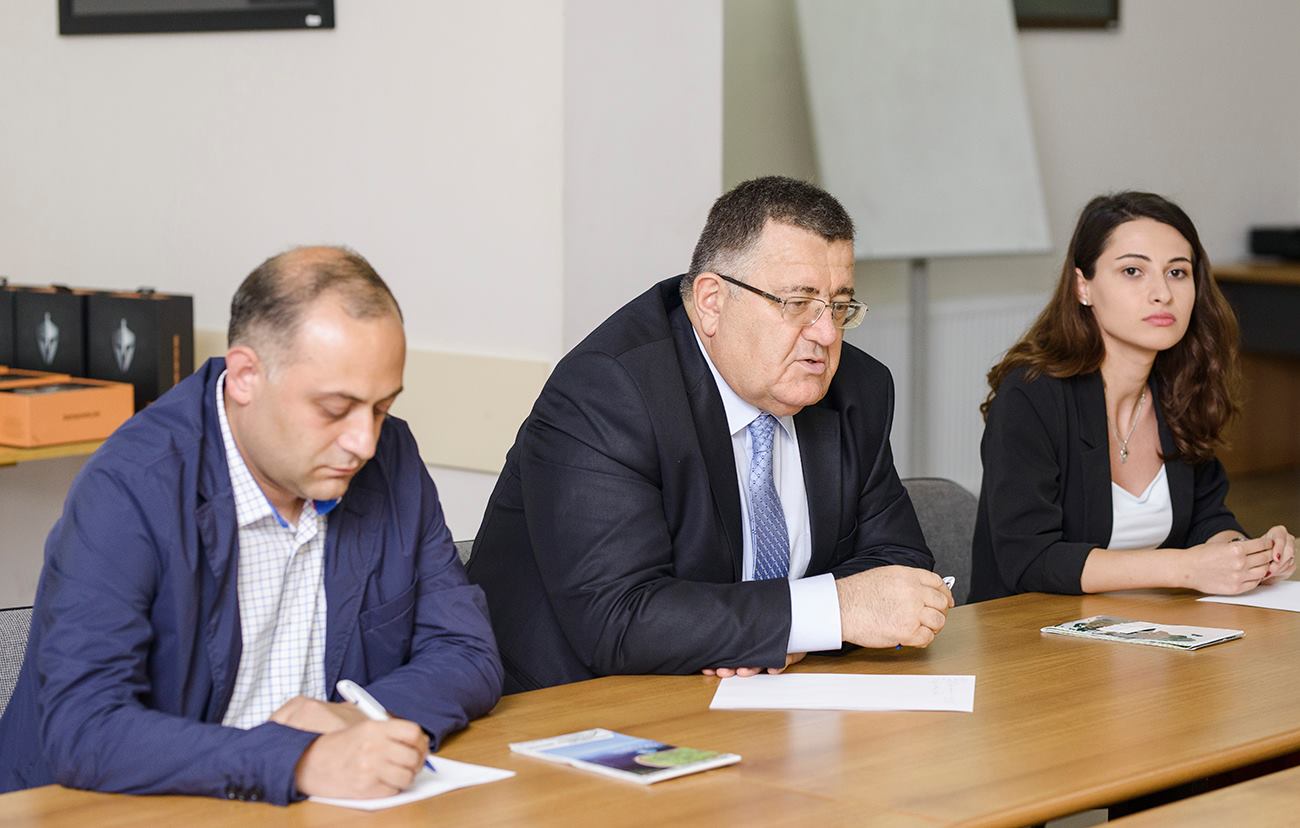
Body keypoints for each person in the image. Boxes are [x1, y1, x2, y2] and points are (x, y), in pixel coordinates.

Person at [0, 247, 503, 803]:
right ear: (245, 376)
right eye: (335, 409)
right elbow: (85, 729)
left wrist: (359, 714)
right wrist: (296, 760)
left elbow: (467, 652)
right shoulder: (131, 486)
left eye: (381, 408)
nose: (364, 442)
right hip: (107, 809)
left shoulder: (392, 458)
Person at [468, 176, 953, 693]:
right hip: (569, 704)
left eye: (839, 306)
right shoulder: (607, 391)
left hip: (761, 699)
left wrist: (775, 633)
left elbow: (898, 566)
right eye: (798, 303)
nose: (827, 334)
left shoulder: (857, 387)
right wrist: (819, 615)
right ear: (712, 301)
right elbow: (618, 617)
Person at [970, 192, 1296, 602]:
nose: (1162, 293)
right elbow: (1029, 558)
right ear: (1083, 286)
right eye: (1132, 271)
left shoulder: (1181, 385)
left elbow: (1206, 518)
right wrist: (1186, 568)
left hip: (1145, 627)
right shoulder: (1032, 394)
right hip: (1028, 629)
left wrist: (1247, 554)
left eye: (1177, 272)